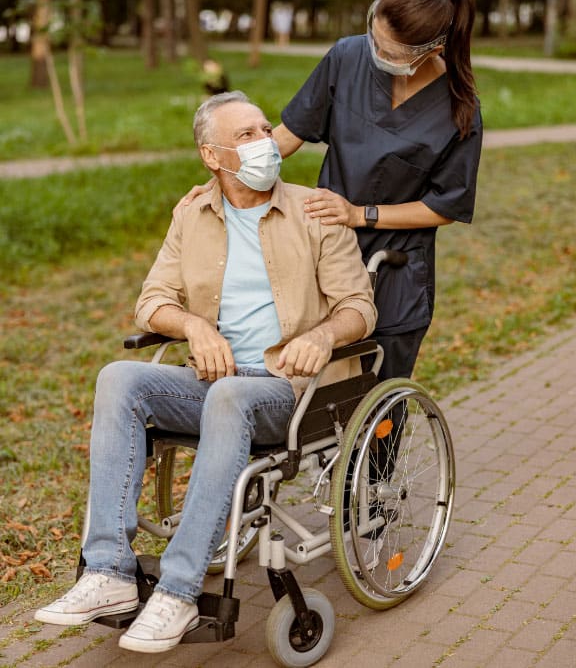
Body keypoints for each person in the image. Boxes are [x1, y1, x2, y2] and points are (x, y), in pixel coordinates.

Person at [34, 91, 377, 654]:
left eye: (265, 129)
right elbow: (152, 302)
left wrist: (321, 336)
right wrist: (196, 328)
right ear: (212, 156)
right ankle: (110, 576)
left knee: (230, 397)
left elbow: (360, 308)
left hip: (288, 388)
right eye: (246, 135)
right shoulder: (192, 212)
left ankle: (178, 589)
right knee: (118, 378)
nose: (266, 140)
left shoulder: (314, 211)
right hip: (212, 381)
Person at [180, 0, 482, 381]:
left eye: (386, 50)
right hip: (321, 256)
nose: (374, 52)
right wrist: (226, 176)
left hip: (394, 271)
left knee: (378, 408)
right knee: (314, 396)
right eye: (373, 37)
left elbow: (444, 205)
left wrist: (360, 214)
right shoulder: (348, 56)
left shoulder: (458, 111)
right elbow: (290, 132)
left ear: (431, 51)